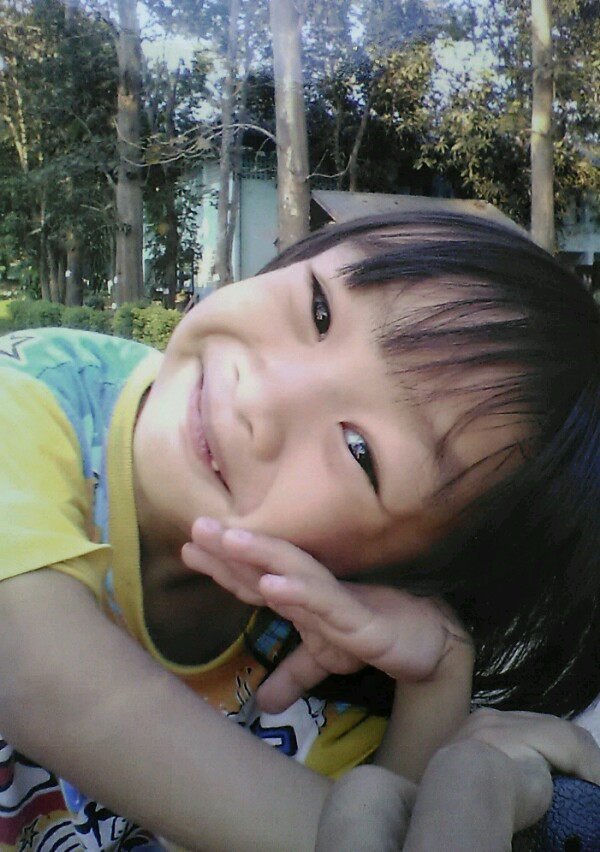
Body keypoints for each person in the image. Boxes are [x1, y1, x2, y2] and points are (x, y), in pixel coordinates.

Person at [1, 209, 599, 850]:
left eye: (360, 452)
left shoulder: (314, 653)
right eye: (320, 309)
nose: (260, 397)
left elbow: (375, 807)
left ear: (398, 574)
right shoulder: (29, 396)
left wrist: (436, 678)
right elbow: (39, 670)